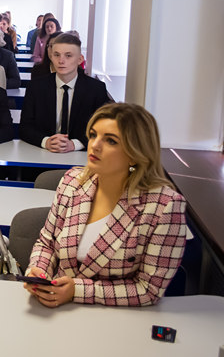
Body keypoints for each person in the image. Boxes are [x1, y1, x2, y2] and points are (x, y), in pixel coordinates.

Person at [23, 103, 186, 307]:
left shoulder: (165, 206)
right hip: (57, 310)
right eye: (93, 135)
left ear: (135, 153)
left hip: (117, 319)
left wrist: (77, 290)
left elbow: (149, 289)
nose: (95, 145)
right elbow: (47, 243)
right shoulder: (72, 181)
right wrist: (38, 273)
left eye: (110, 141)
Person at [20, 33, 109, 152]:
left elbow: (103, 129)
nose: (61, 61)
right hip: (43, 154)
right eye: (56, 55)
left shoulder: (96, 89)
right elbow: (25, 127)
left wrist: (75, 144)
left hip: (81, 157)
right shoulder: (36, 87)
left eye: (68, 56)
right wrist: (46, 142)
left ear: (80, 59)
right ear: (51, 57)